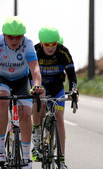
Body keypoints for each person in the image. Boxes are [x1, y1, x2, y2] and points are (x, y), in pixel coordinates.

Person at [0, 16, 43, 169]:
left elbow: (35, 69)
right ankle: (0, 150)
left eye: (18, 37)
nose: (14, 40)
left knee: (25, 112)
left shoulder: (28, 45)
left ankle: (26, 157)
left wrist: (36, 85)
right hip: (1, 78)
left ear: (23, 36)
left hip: (21, 80)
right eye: (10, 36)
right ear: (4, 35)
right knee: (2, 101)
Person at [31, 26, 79, 169]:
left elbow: (71, 74)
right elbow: (30, 72)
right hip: (41, 85)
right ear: (41, 43)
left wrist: (73, 91)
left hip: (58, 88)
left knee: (59, 117)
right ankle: (37, 132)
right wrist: (33, 87)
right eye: (47, 44)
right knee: (40, 100)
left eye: (53, 44)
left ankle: (62, 159)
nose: (51, 47)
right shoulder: (35, 51)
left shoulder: (63, 52)